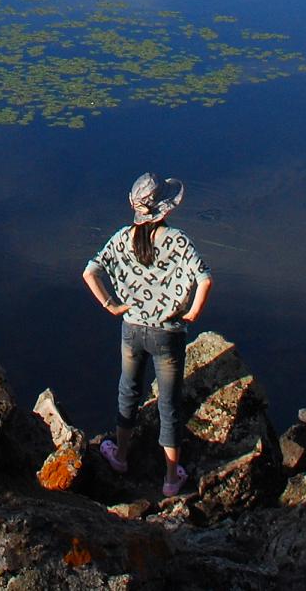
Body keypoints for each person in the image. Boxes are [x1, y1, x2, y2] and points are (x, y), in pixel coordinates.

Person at [81, 172, 213, 497]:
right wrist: (193, 313)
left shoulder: (122, 238)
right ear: (165, 210)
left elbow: (90, 272)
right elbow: (204, 278)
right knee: (169, 404)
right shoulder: (177, 239)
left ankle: (121, 456)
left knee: (129, 390)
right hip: (168, 333)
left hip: (132, 329)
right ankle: (171, 478)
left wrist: (111, 304)